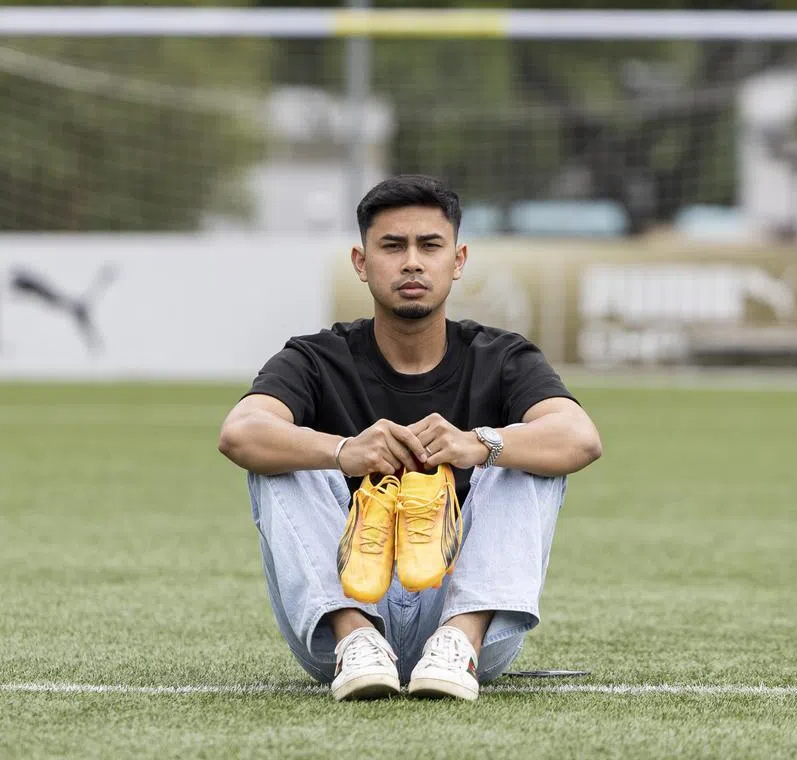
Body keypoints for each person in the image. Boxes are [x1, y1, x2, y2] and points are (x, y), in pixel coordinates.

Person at [218, 174, 602, 702]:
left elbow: (580, 437)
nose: (412, 262)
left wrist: (479, 444)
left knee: (526, 452)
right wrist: (343, 451)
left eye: (430, 245)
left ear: (458, 260)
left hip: (468, 614)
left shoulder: (502, 356)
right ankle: (358, 640)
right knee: (282, 455)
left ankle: (457, 644)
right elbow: (240, 432)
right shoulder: (315, 357)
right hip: (341, 613)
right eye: (393, 246)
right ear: (361, 262)